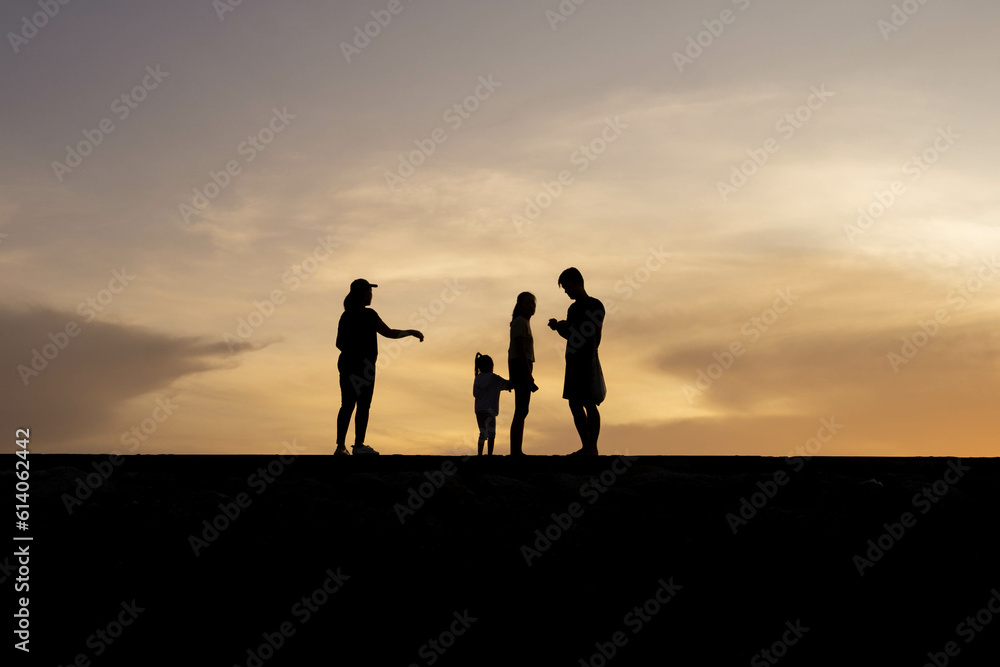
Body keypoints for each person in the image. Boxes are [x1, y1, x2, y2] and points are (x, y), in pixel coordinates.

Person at [335, 279, 423, 455]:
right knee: (361, 406)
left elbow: (339, 344)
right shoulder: (368, 315)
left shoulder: (347, 316)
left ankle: (341, 447)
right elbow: (389, 333)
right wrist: (411, 332)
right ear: (362, 294)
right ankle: (358, 446)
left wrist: (410, 332)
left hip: (348, 365)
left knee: (348, 405)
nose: (371, 295)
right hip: (362, 367)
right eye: (369, 292)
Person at [547, 268, 605, 455]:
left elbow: (593, 334)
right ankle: (586, 444)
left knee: (589, 402)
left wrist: (568, 326)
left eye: (567, 287)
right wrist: (559, 328)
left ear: (577, 282)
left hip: (587, 359)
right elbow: (571, 335)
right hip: (572, 359)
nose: (566, 291)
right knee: (574, 402)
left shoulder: (595, 305)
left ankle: (592, 447)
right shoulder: (572, 308)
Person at [508, 292, 538, 456]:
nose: (531, 306)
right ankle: (516, 451)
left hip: (521, 366)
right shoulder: (520, 322)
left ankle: (516, 450)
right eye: (528, 303)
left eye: (533, 303)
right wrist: (527, 373)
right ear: (520, 305)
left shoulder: (523, 322)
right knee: (521, 409)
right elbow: (519, 349)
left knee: (522, 409)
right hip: (521, 365)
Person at [473, 353, 513, 456]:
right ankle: (490, 454)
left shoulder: (477, 378)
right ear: (491, 366)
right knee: (491, 433)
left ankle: (479, 454)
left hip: (479, 410)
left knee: (482, 432)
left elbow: (474, 394)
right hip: (490, 409)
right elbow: (507, 384)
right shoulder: (494, 378)